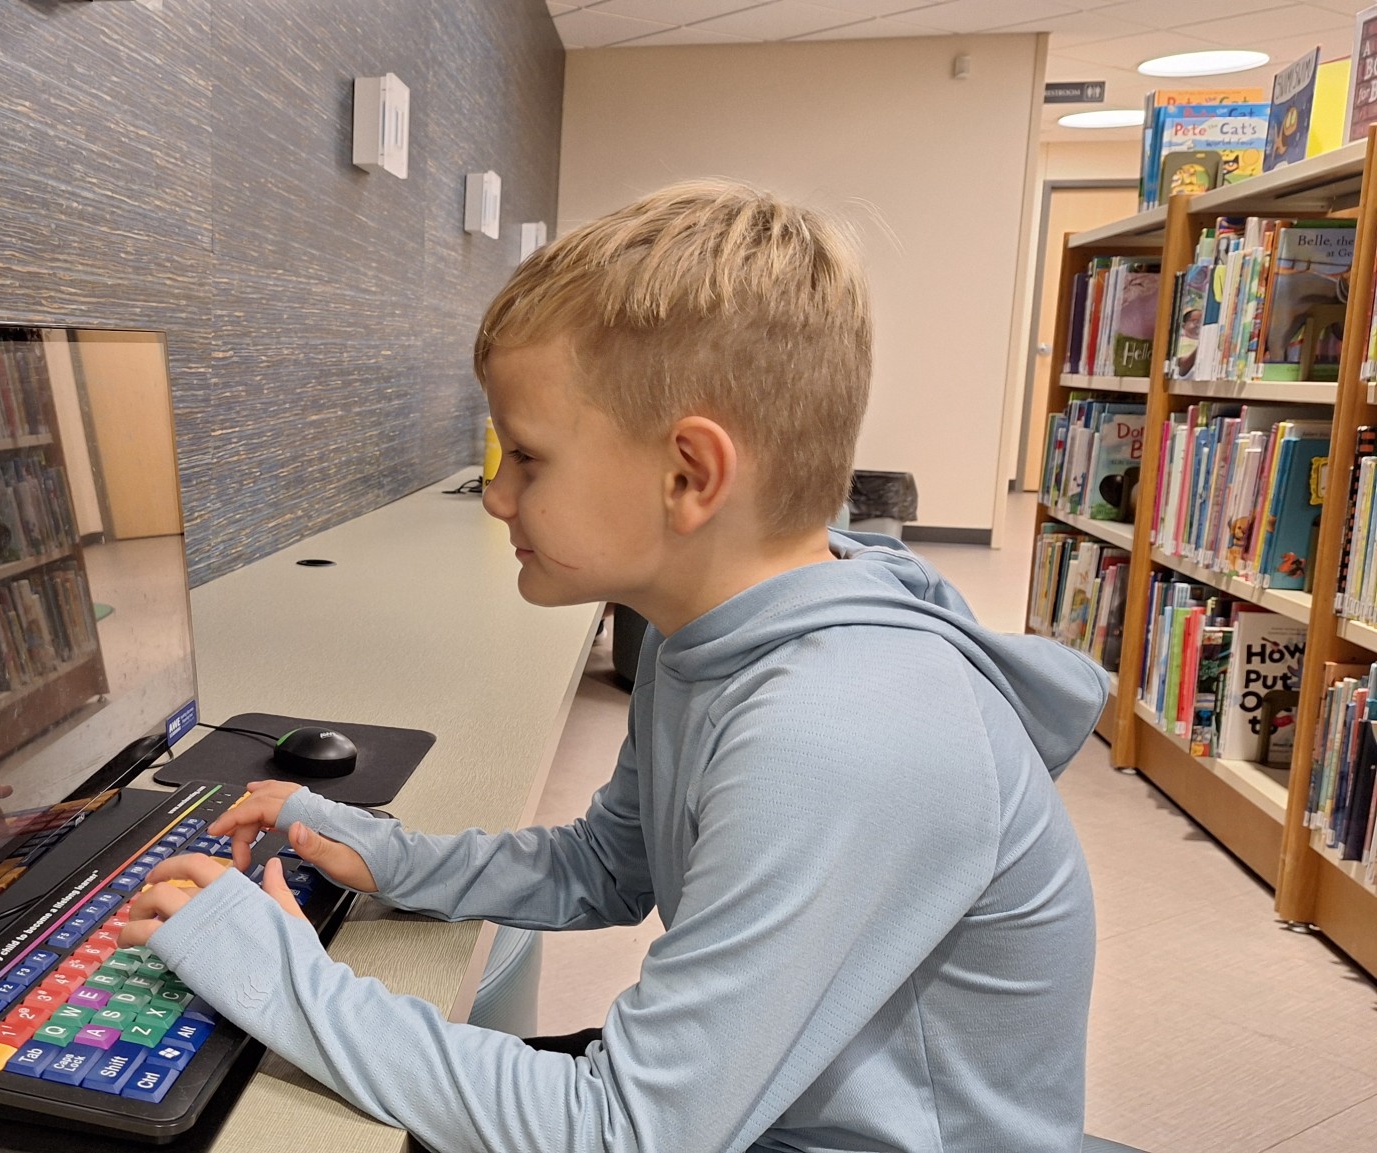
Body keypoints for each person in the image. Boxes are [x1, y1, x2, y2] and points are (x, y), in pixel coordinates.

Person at [120, 179, 1103, 1153]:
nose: (496, 498)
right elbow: (608, 868)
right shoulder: (700, 633)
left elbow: (624, 1131)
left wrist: (275, 974)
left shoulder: (835, 731)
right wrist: (383, 853)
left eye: (527, 458)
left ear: (689, 476)